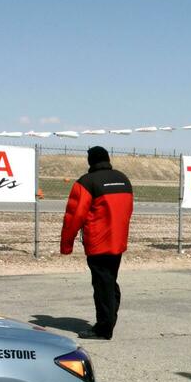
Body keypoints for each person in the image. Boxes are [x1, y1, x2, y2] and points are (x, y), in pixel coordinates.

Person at [60, 145, 134, 340]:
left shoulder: (86, 182)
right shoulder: (123, 179)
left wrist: (66, 245)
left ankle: (104, 328)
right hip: (118, 241)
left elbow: (74, 216)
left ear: (90, 161)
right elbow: (127, 211)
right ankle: (109, 319)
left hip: (97, 243)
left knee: (102, 285)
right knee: (109, 281)